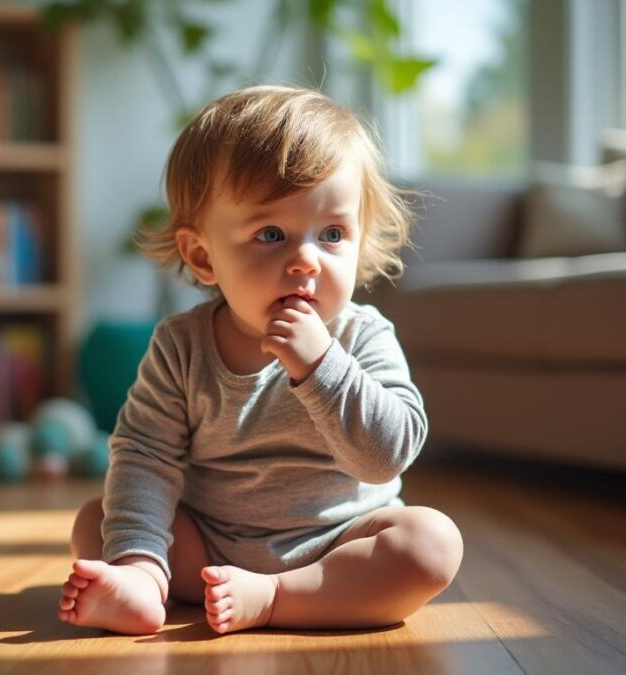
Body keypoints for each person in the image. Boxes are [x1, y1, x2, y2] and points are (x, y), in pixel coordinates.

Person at [57, 85, 464, 636]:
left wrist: (323, 368)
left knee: (431, 544)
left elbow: (386, 458)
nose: (305, 261)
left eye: (333, 234)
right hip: (208, 543)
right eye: (271, 234)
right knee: (95, 519)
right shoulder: (182, 346)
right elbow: (144, 455)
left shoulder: (363, 336)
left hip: (340, 544)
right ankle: (146, 588)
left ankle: (276, 598)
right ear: (203, 256)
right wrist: (139, 560)